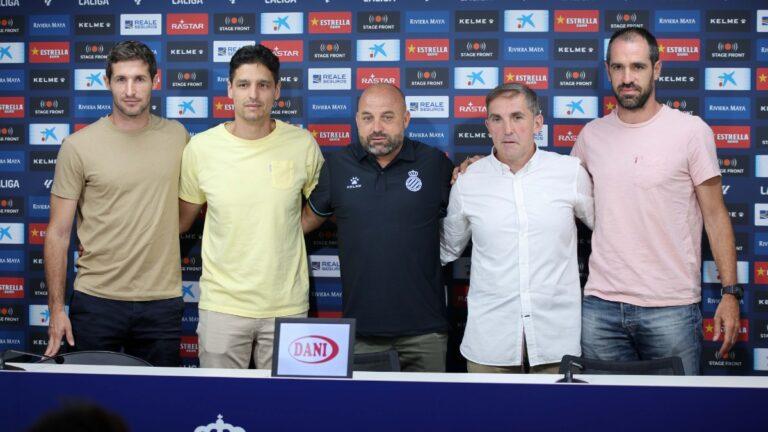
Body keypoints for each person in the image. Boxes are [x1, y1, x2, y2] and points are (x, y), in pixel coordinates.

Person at [571, 27, 740, 375]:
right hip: (601, 307)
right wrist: (489, 164)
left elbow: (715, 214)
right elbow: (553, 189)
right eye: (618, 68)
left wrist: (730, 293)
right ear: (608, 72)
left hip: (672, 309)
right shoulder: (591, 136)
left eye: (637, 66)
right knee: (602, 419)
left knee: (677, 418)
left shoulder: (691, 132)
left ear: (657, 69)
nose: (627, 78)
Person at [178, 44, 324, 369]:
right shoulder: (201, 149)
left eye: (263, 85)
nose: (253, 94)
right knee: (220, 409)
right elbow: (181, 221)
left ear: (277, 90)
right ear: (229, 89)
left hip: (286, 304)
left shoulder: (302, 144)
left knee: (287, 411)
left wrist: (287, 228)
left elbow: (322, 206)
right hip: (222, 306)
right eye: (243, 85)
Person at [45, 41, 188, 366]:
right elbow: (57, 234)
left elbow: (189, 206)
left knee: (157, 408)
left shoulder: (178, 137)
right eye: (121, 79)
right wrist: (55, 309)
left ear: (156, 80)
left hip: (161, 303)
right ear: (106, 82)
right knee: (86, 408)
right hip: (96, 301)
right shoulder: (78, 146)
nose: (130, 90)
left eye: (139, 79)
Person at [441, 83, 594, 374]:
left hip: (556, 341)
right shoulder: (468, 181)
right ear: (487, 125)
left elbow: (609, 230)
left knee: (558, 421)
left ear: (537, 123)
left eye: (517, 117)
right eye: (497, 119)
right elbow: (446, 248)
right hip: (489, 344)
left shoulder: (569, 172)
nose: (507, 129)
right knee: (488, 421)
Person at [301, 84, 454, 372]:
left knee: (430, 416)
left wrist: (475, 165)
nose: (377, 128)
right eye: (368, 118)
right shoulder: (337, 166)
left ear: (406, 119)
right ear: (357, 120)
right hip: (362, 332)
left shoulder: (434, 165)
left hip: (425, 333)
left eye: (387, 117)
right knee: (366, 417)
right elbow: (303, 223)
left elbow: (471, 211)